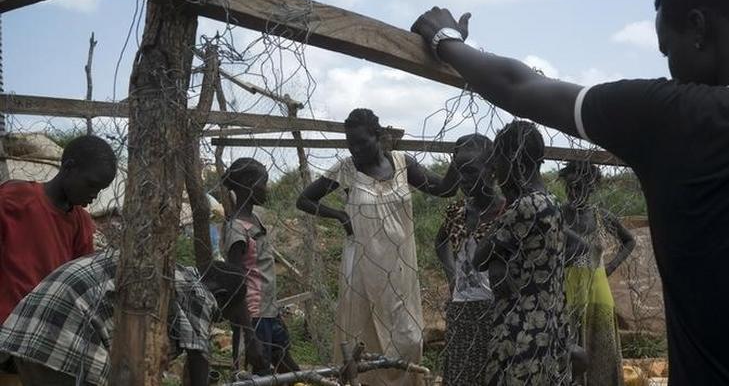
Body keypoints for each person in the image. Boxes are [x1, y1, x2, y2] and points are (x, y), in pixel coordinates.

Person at [410, 0, 729, 382]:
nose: (669, 66)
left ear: (698, 27)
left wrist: (445, 39)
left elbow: (521, 88)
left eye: (668, 49)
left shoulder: (680, 117)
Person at [296, 108, 459, 386]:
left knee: (408, 338)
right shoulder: (347, 169)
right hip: (361, 266)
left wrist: (458, 161)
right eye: (351, 144)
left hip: (400, 268)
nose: (356, 149)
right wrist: (340, 215)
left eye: (362, 142)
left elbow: (444, 189)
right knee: (361, 336)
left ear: (379, 136)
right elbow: (304, 200)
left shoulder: (402, 163)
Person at [0, 250, 267, 386]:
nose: (213, 319)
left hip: (25, 333)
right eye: (219, 314)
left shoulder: (170, 274)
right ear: (217, 294)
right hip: (65, 340)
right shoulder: (196, 291)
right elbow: (199, 359)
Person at [472, 121, 570, 385]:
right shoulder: (551, 202)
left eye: (499, 160)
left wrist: (495, 259)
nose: (495, 169)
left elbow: (478, 257)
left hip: (520, 328)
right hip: (548, 322)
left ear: (515, 161)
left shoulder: (524, 207)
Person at [0, 135, 116, 327]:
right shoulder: (14, 200)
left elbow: (79, 279)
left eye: (100, 189)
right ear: (69, 168)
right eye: (91, 184)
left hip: (45, 326)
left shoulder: (81, 222)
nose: (94, 195)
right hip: (6, 323)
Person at [434, 134, 505, 385]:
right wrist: (452, 275)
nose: (464, 180)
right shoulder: (457, 212)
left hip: (498, 310)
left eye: (472, 172)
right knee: (461, 375)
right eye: (460, 172)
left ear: (492, 171)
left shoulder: (506, 211)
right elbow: (440, 242)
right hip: (462, 308)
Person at [220, 158, 300, 375]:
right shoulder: (237, 229)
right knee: (255, 374)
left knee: (287, 368)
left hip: (268, 314)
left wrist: (275, 314)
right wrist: (249, 334)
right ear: (247, 183)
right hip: (251, 318)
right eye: (263, 183)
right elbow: (236, 284)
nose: (267, 189)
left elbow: (260, 275)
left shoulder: (254, 219)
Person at [559, 161, 634, 386]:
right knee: (568, 351)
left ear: (591, 188)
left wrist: (610, 267)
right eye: (571, 187)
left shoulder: (601, 216)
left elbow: (629, 241)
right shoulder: (557, 214)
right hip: (566, 291)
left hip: (598, 292)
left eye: (581, 187)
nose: (575, 193)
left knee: (603, 350)